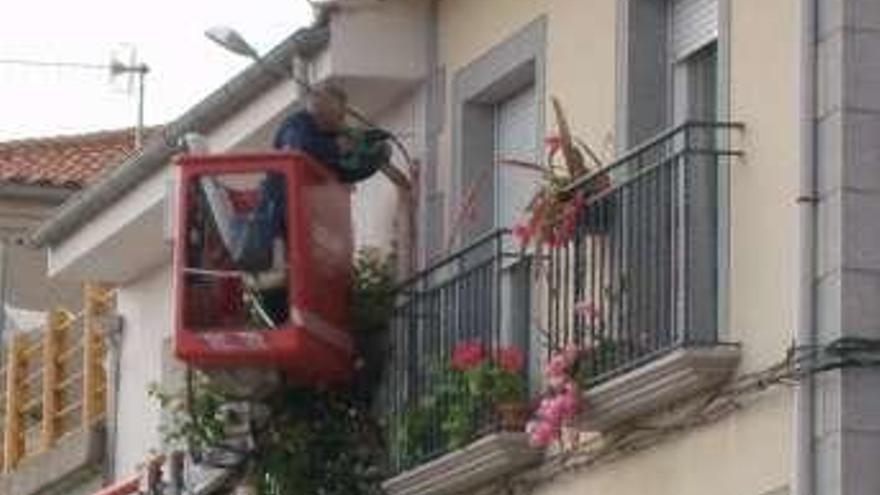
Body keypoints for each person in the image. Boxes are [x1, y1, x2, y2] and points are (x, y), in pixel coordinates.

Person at [273, 84, 390, 183]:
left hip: (313, 195)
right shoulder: (296, 124)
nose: (341, 119)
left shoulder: (322, 131)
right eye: (338, 113)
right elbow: (298, 147)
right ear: (322, 107)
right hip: (283, 201)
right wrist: (336, 146)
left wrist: (365, 138)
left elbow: (342, 144)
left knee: (381, 150)